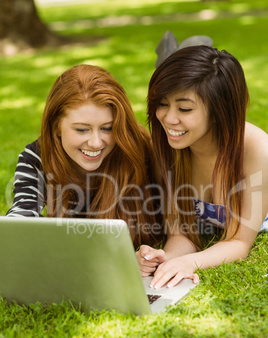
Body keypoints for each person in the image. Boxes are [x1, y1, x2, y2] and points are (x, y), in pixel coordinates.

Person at [136, 45, 268, 288]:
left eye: (184, 109)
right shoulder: (171, 148)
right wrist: (167, 259)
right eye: (162, 103)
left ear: (219, 111)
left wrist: (191, 263)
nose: (168, 118)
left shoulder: (257, 150)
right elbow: (182, 232)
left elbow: (239, 242)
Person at [6, 64, 162, 249]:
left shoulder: (137, 149)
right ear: (56, 126)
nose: (96, 143)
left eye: (107, 128)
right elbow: (20, 220)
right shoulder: (37, 158)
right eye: (82, 129)